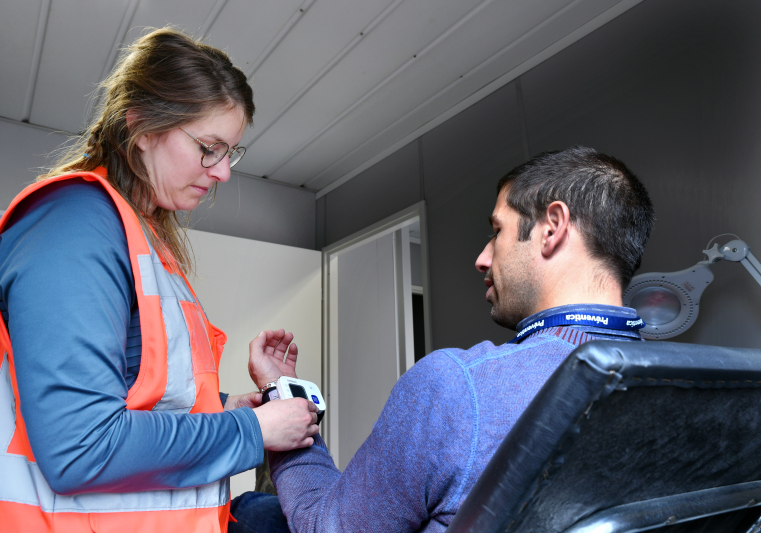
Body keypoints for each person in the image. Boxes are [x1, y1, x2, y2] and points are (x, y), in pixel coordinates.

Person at [0, 28, 319, 533]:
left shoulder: (143, 238)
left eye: (231, 153)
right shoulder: (72, 225)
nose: (222, 173)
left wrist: (226, 408)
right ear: (142, 127)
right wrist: (250, 430)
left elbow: (142, 394)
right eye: (209, 148)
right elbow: (81, 448)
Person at [249, 146, 656, 532]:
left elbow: (326, 527)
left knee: (248, 511)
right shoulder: (679, 389)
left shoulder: (458, 386)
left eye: (497, 231)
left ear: (552, 227)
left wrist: (282, 400)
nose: (482, 258)